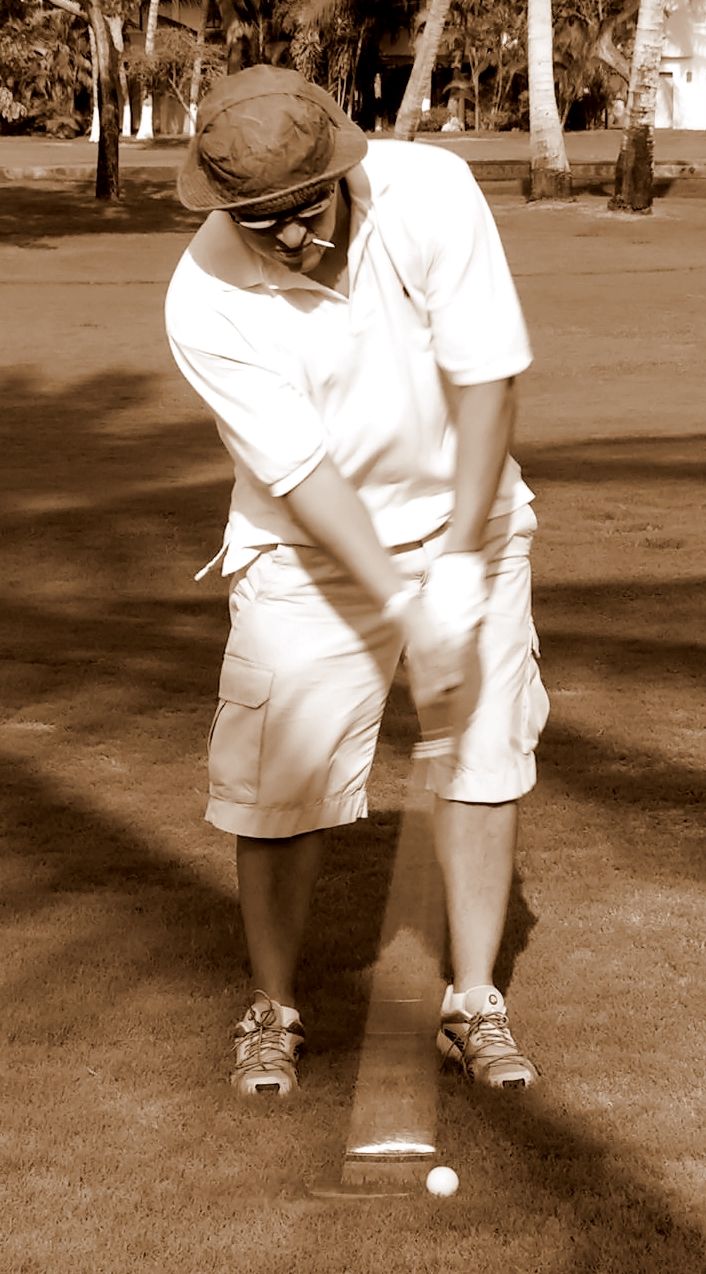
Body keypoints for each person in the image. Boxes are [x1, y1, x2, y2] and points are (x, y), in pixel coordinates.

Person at [165, 65, 550, 1099]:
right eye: (261, 222)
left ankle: (475, 1002)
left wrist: (456, 568)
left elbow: (487, 379)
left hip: (469, 513)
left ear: (340, 170)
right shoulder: (204, 296)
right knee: (276, 782)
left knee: (484, 754)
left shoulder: (430, 192)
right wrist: (403, 602)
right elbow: (302, 475)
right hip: (304, 546)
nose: (291, 238)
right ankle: (272, 1010)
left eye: (306, 209)